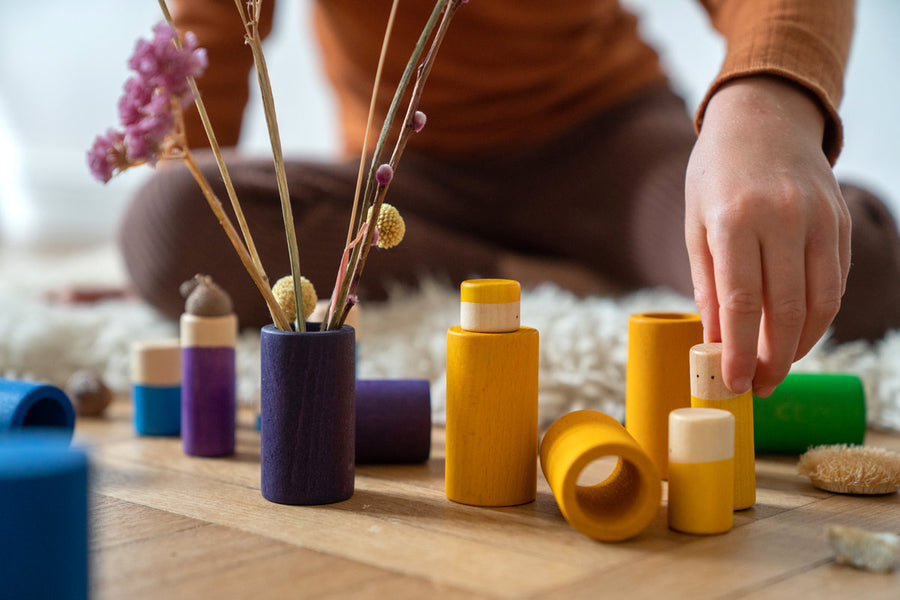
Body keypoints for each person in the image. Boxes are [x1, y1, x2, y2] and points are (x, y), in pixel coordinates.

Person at [119, 0, 900, 398]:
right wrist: (183, 182)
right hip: (399, 181)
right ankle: (543, 274)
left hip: (609, 153)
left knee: (847, 271)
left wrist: (765, 108)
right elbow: (206, 31)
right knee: (167, 226)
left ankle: (576, 260)